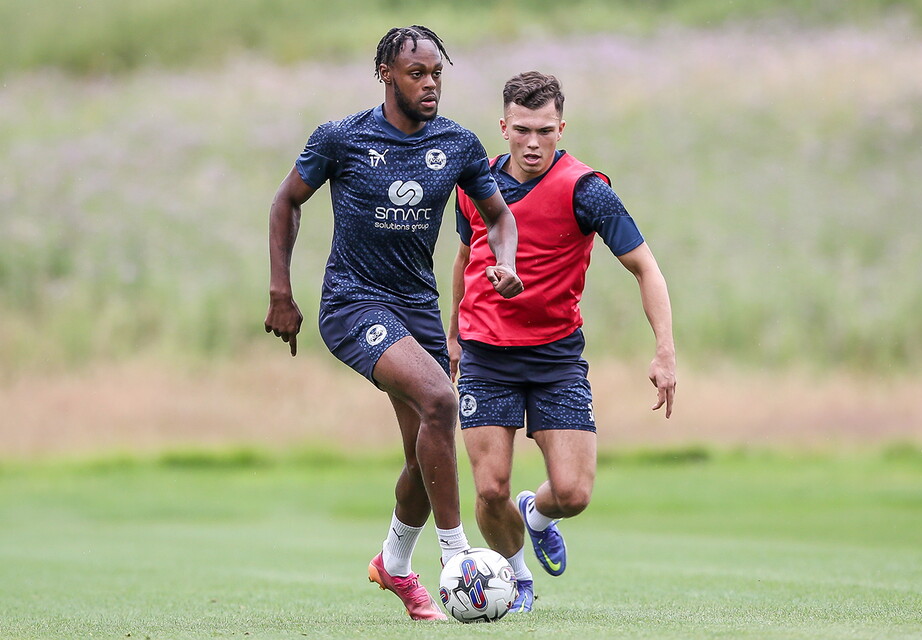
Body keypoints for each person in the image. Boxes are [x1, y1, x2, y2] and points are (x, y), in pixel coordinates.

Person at [264, 26, 523, 621]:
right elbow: (285, 202)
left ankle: (393, 565)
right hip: (353, 303)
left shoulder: (456, 143)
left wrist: (504, 263)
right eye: (417, 74)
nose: (430, 84)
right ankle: (458, 557)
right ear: (386, 74)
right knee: (440, 400)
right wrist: (281, 289)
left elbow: (499, 218)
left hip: (417, 309)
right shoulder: (343, 137)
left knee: (423, 457)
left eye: (437, 74)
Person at [448, 71, 676, 613]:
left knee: (573, 493)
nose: (532, 143)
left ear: (561, 128)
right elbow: (463, 258)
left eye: (544, 131)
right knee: (488, 489)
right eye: (521, 130)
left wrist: (664, 349)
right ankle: (518, 578)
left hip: (555, 357)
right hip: (485, 354)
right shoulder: (474, 185)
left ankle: (538, 513)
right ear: (503, 127)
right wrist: (453, 335)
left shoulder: (587, 191)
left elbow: (646, 268)